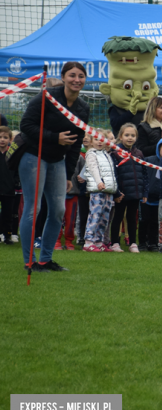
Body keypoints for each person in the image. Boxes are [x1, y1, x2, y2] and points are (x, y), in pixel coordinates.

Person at [18, 62, 89, 272]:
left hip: (58, 161)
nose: (77, 80)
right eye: (72, 75)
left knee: (58, 210)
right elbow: (26, 126)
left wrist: (68, 174)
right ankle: (29, 260)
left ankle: (45, 259)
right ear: (64, 77)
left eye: (81, 76)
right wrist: (54, 137)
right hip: (33, 155)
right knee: (34, 208)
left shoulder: (83, 108)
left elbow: (76, 143)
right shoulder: (47, 96)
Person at [110, 123, 147, 253]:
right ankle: (114, 243)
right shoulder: (115, 153)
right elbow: (113, 174)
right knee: (118, 217)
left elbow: (144, 174)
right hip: (121, 193)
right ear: (120, 136)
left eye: (133, 135)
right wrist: (116, 192)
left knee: (132, 218)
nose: (130, 138)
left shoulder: (139, 153)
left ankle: (133, 243)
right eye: (127, 135)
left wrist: (144, 192)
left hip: (135, 193)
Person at [82, 130, 118, 252]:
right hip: (97, 190)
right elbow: (93, 169)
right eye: (97, 139)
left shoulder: (106, 154)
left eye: (102, 139)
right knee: (95, 215)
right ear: (91, 141)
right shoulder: (91, 154)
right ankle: (88, 241)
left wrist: (114, 188)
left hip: (108, 190)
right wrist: (99, 182)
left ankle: (98, 241)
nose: (100, 142)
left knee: (104, 217)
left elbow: (111, 173)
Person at [139, 138, 162, 252]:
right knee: (144, 220)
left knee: (156, 222)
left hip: (160, 198)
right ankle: (142, 242)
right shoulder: (149, 160)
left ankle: (153, 243)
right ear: (158, 148)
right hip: (146, 197)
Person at [0, 126, 16, 244]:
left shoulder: (12, 154)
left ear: (10, 139)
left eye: (5, 137)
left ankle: (7, 235)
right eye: (0, 137)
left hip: (9, 189)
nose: (2, 140)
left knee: (8, 214)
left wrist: (15, 183)